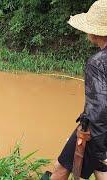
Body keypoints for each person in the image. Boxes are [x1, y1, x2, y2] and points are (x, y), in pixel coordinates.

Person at [51, 1, 107, 179]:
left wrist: (100, 150)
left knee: (61, 167)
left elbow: (100, 107)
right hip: (100, 131)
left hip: (96, 131)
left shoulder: (97, 62)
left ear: (95, 32)